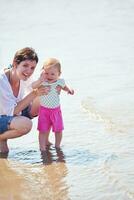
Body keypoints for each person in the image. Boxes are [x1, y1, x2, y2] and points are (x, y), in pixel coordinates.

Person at [0, 47, 50, 153]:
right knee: (25, 125)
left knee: (44, 98)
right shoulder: (2, 82)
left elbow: (32, 89)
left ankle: (46, 139)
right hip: (5, 115)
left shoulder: (23, 77)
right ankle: (1, 138)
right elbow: (12, 112)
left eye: (32, 68)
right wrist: (35, 93)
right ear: (15, 63)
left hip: (9, 114)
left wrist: (44, 81)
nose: (29, 71)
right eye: (25, 66)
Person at [32, 58, 74, 151]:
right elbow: (33, 86)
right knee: (43, 130)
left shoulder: (60, 81)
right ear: (43, 72)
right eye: (47, 73)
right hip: (44, 110)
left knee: (58, 130)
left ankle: (57, 145)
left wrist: (70, 90)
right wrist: (40, 79)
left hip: (56, 111)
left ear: (59, 74)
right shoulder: (42, 82)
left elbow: (65, 87)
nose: (49, 76)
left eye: (53, 74)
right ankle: (42, 148)